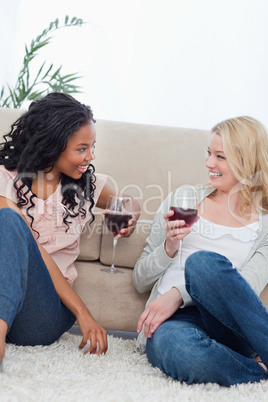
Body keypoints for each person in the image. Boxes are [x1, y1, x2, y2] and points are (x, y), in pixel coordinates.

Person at [0, 92, 140, 368]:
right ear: (52, 145)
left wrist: (131, 214)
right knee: (10, 221)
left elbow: (126, 201)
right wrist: (83, 311)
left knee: (9, 221)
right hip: (7, 296)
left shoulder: (86, 185)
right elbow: (30, 246)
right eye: (81, 148)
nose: (89, 156)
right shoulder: (6, 179)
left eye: (92, 147)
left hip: (43, 313)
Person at [133, 116, 268, 386]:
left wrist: (178, 294)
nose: (208, 163)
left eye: (220, 156)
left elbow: (248, 289)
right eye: (209, 153)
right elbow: (139, 280)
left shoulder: (264, 224)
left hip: (230, 324)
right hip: (175, 323)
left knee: (202, 263)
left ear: (247, 161)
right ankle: (257, 374)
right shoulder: (182, 199)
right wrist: (169, 248)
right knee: (182, 352)